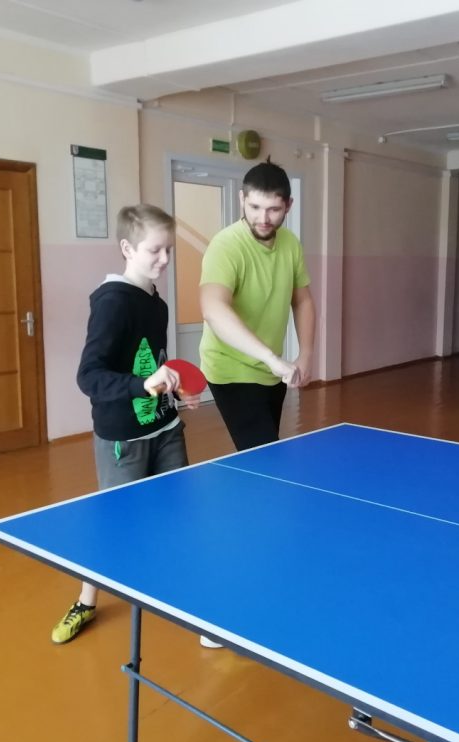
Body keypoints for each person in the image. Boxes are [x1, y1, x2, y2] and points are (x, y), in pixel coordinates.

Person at [51, 203, 196, 645]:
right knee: (114, 525)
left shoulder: (157, 303)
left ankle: (180, 587)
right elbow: (89, 376)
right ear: (127, 248)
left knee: (177, 510)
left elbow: (151, 362)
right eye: (155, 250)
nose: (164, 260)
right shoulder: (112, 302)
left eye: (169, 250)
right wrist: (142, 385)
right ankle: (86, 601)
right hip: (124, 439)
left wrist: (173, 390)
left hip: (165, 429)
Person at [199, 159, 316, 453]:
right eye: (254, 207)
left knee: (261, 455)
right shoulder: (226, 245)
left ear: (288, 205)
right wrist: (270, 357)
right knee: (265, 455)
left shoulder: (290, 244)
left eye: (273, 209)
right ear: (242, 199)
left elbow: (302, 300)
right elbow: (213, 309)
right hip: (231, 368)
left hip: (271, 370)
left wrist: (305, 354)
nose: (263, 218)